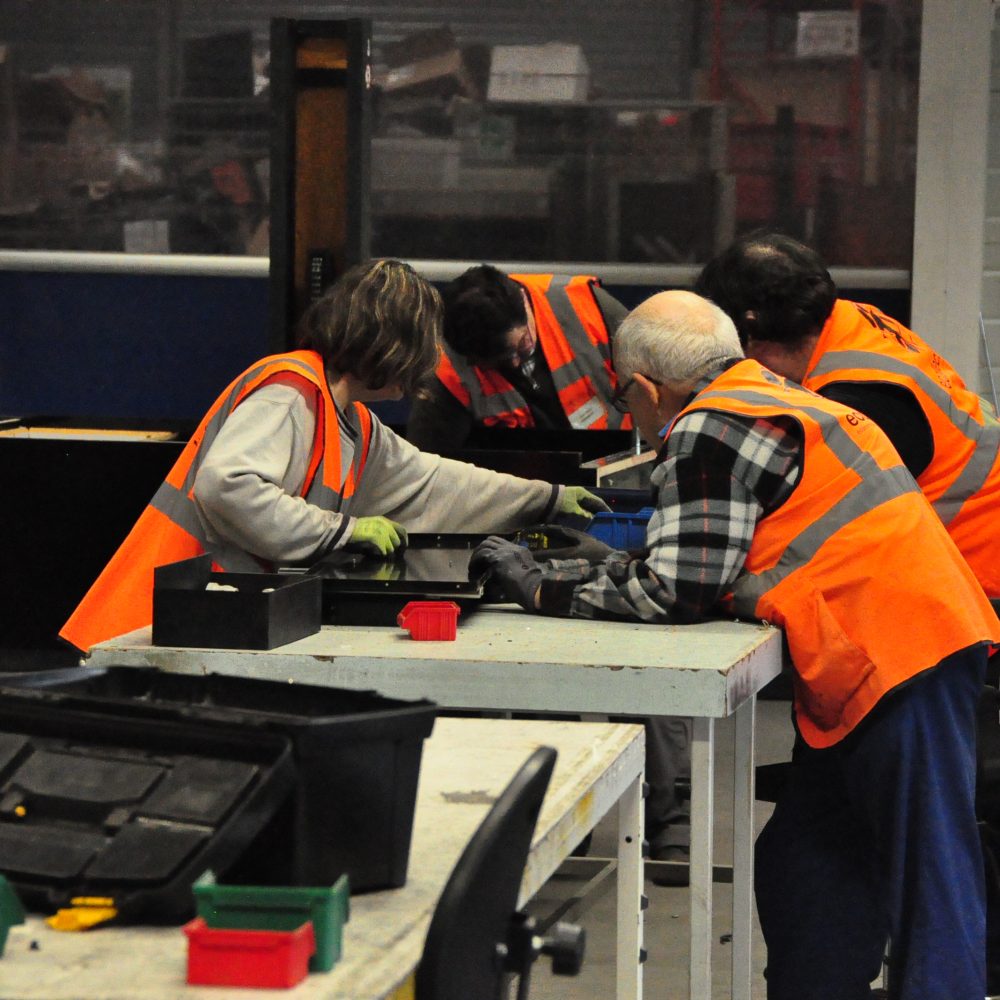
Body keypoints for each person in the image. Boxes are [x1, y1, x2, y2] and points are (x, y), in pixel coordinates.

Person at [470, 289, 1000, 1000]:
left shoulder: (708, 427)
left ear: (647, 387)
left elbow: (674, 593)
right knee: (804, 862)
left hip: (901, 656)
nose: (634, 417)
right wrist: (602, 565)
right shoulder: (771, 395)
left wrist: (539, 589)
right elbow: (719, 561)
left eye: (629, 399)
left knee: (932, 885)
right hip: (875, 654)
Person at [60, 259, 609, 653]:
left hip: (209, 624)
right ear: (390, 348)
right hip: (146, 628)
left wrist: (549, 498)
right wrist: (342, 532)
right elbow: (226, 485)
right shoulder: (289, 391)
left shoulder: (352, 424)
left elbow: (434, 481)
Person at [694, 230, 1000, 599]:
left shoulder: (858, 403)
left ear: (749, 333)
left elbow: (827, 543)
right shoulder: (851, 319)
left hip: (980, 577)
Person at [406, 264, 633, 451]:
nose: (514, 363)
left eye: (523, 346)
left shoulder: (585, 304)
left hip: (616, 468)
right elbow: (426, 461)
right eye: (498, 361)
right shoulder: (446, 370)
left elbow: (659, 385)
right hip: (522, 490)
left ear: (524, 301)